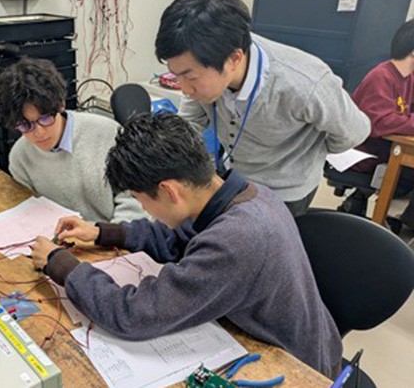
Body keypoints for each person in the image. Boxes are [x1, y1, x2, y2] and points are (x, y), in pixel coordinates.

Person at [30, 113, 342, 378]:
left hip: (297, 368)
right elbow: (175, 239)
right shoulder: (239, 194)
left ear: (169, 191)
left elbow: (134, 315)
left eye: (140, 200)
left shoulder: (235, 240)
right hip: (289, 336)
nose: (144, 209)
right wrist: (102, 233)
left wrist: (62, 265)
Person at [154, 0, 370, 216]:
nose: (185, 89)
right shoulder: (207, 60)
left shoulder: (304, 82)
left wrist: (307, 152)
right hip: (233, 175)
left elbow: (355, 131)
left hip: (284, 191)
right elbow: (189, 125)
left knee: (259, 237)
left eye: (190, 77)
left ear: (233, 59)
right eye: (177, 75)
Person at [0, 58, 146, 223]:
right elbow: (31, 214)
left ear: (61, 105)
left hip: (111, 233)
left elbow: (136, 202)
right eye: (25, 125)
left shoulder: (109, 134)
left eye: (45, 119)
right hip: (57, 236)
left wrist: (102, 234)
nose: (39, 133)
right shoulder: (20, 157)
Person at [351, 20, 414, 226]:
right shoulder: (382, 76)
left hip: (385, 149)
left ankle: (406, 222)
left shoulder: (408, 78)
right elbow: (381, 122)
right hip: (365, 154)